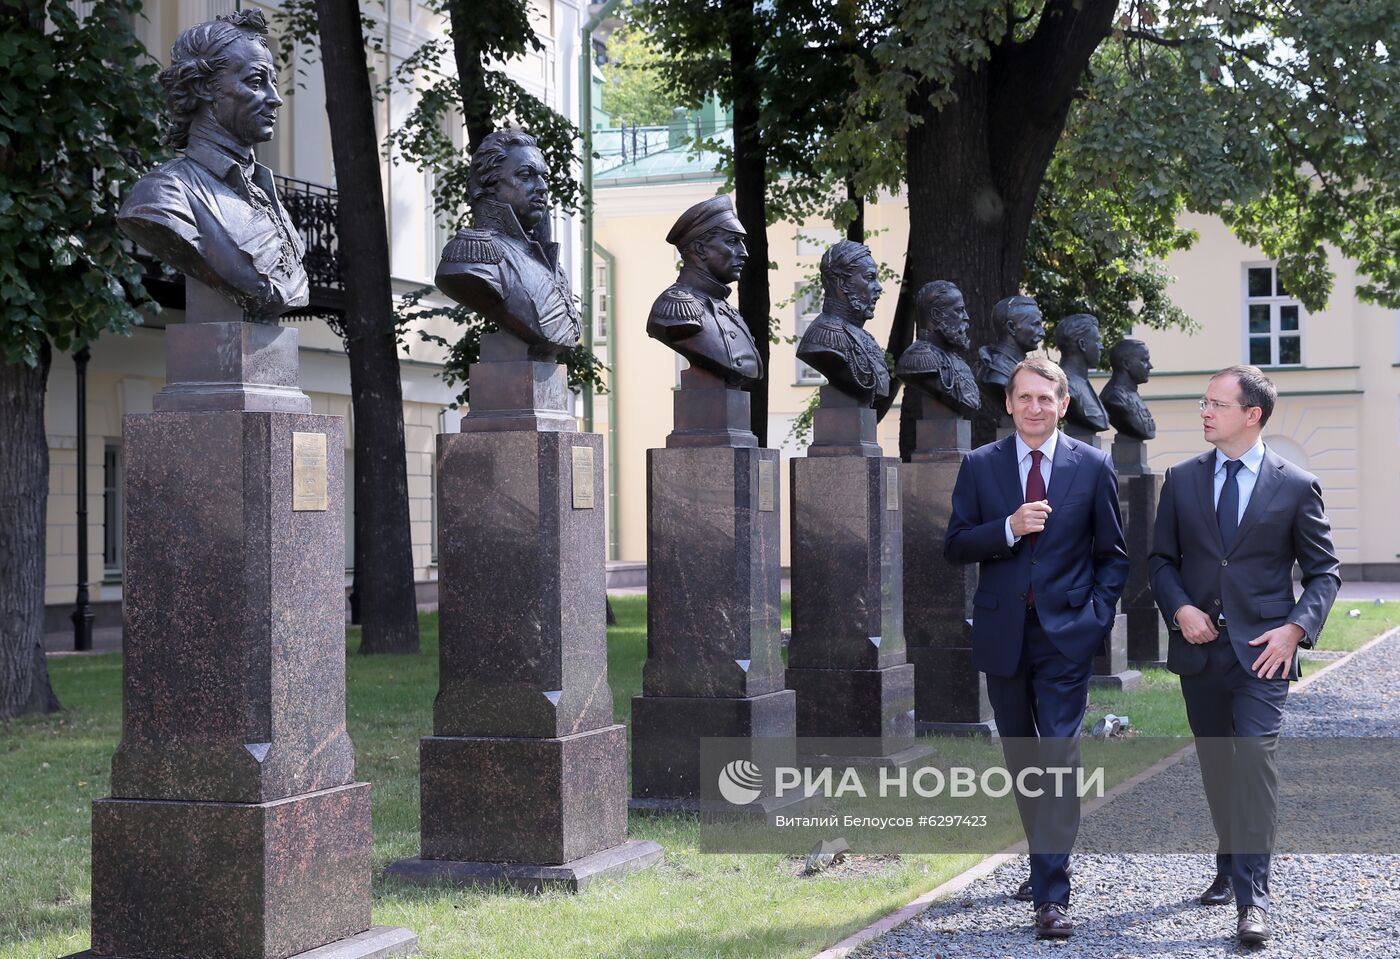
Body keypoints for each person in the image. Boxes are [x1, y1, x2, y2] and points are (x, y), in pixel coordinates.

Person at [1148, 365, 1339, 947]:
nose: (1204, 412)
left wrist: (1295, 631)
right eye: (1204, 403)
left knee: (1252, 761)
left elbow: (1324, 573)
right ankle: (1228, 862)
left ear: (1251, 415)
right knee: (1217, 764)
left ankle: (1254, 900)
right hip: (1201, 653)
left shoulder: (1296, 484)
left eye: (1215, 404)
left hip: (1265, 655)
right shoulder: (1180, 480)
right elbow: (1160, 562)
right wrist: (1180, 609)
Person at [945, 357, 1128, 940]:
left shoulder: (1093, 467)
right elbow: (954, 545)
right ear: (1008, 403)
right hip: (1003, 636)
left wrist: (1095, 619)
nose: (1034, 407)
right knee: (1023, 760)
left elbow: (1113, 556)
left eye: (1045, 399)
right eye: (1024, 397)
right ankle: (1041, 858)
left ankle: (1052, 894)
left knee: (1058, 758)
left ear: (1063, 405)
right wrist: (1009, 527)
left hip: (1065, 636)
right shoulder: (980, 466)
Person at [118, 9, 307, 322]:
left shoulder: (266, 193)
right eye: (256, 81)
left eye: (273, 82)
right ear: (204, 87)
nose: (275, 98)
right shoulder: (163, 195)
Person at [435, 129, 580, 355]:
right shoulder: (473, 258)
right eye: (525, 175)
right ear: (489, 185)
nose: (542, 187)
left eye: (544, 177)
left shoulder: (547, 262)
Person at [646, 196, 761, 386]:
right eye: (732, 241)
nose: (744, 252)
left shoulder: (726, 309)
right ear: (700, 249)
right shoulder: (675, 305)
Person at [794, 240, 888, 406]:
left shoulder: (865, 338)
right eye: (869, 278)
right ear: (842, 283)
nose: (878, 287)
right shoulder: (823, 337)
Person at [894, 280, 980, 418]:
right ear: (937, 315)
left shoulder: (959, 363)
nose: (966, 317)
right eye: (959, 310)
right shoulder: (917, 359)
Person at [975, 295, 1045, 406]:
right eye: (1035, 325)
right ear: (1012, 327)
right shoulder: (997, 376)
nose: (1042, 333)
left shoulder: (1016, 368)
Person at [1054, 313, 1109, 433]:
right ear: (1082, 344)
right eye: (1097, 341)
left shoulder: (1082, 382)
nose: (1101, 347)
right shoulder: (1064, 385)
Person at [1099, 339, 1156, 440]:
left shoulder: (1131, 393)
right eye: (1144, 360)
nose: (1150, 366)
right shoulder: (1113, 397)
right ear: (1126, 364)